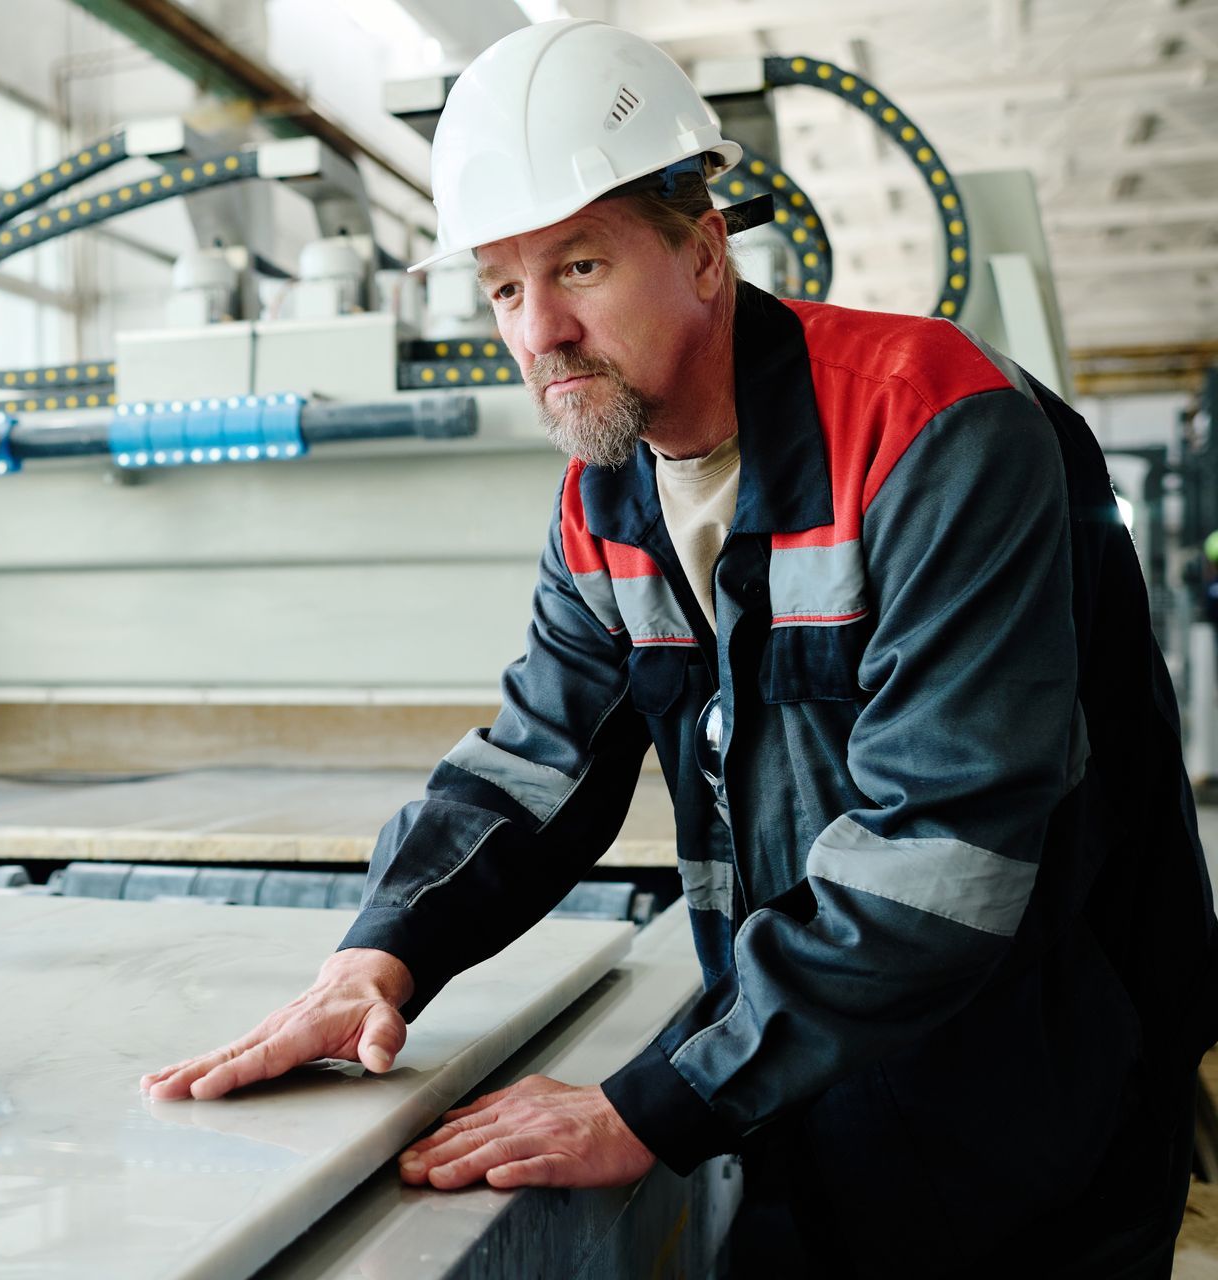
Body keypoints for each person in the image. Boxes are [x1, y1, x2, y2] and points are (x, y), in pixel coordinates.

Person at [142, 19, 1218, 1276]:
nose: (536, 328)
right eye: (502, 284)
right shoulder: (607, 499)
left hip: (1039, 1118)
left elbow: (942, 856)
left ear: (705, 252)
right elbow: (534, 766)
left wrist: (647, 1103)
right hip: (804, 1113)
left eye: (580, 266)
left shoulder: (934, 428)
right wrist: (380, 953)